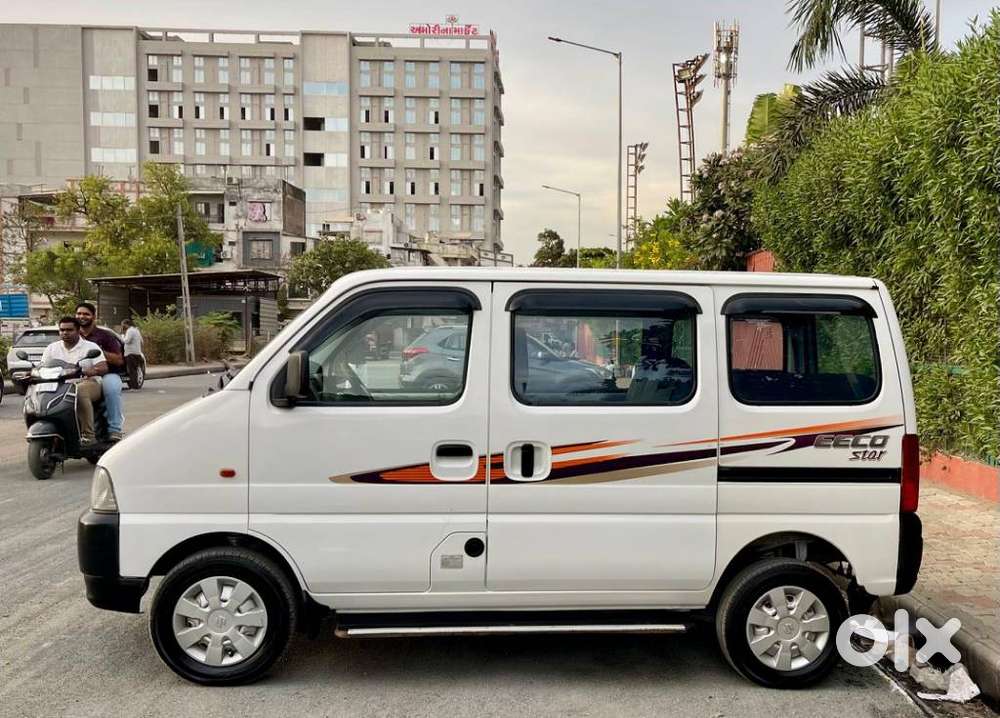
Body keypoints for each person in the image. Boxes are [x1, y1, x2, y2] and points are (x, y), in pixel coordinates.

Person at [41, 317, 107, 445]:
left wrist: (91, 370)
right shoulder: (52, 348)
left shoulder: (90, 347)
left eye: (69, 330)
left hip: (88, 383)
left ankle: (88, 435)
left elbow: (103, 367)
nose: (65, 333)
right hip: (59, 385)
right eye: (62, 330)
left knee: (79, 391)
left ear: (78, 331)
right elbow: (43, 366)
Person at [75, 302, 125, 441]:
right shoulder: (73, 336)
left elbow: (119, 360)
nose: (82, 316)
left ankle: (115, 429)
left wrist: (98, 351)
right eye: (79, 313)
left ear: (93, 317)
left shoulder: (105, 336)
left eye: (86, 314)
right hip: (78, 376)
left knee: (112, 389)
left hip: (107, 374)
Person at [120, 318, 144, 390]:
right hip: (137, 353)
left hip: (130, 353)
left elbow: (126, 341)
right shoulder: (137, 330)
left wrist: (122, 337)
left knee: (131, 370)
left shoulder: (130, 331)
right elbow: (142, 341)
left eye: (123, 325)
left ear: (126, 324)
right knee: (135, 370)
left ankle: (133, 387)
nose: (122, 326)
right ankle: (135, 386)